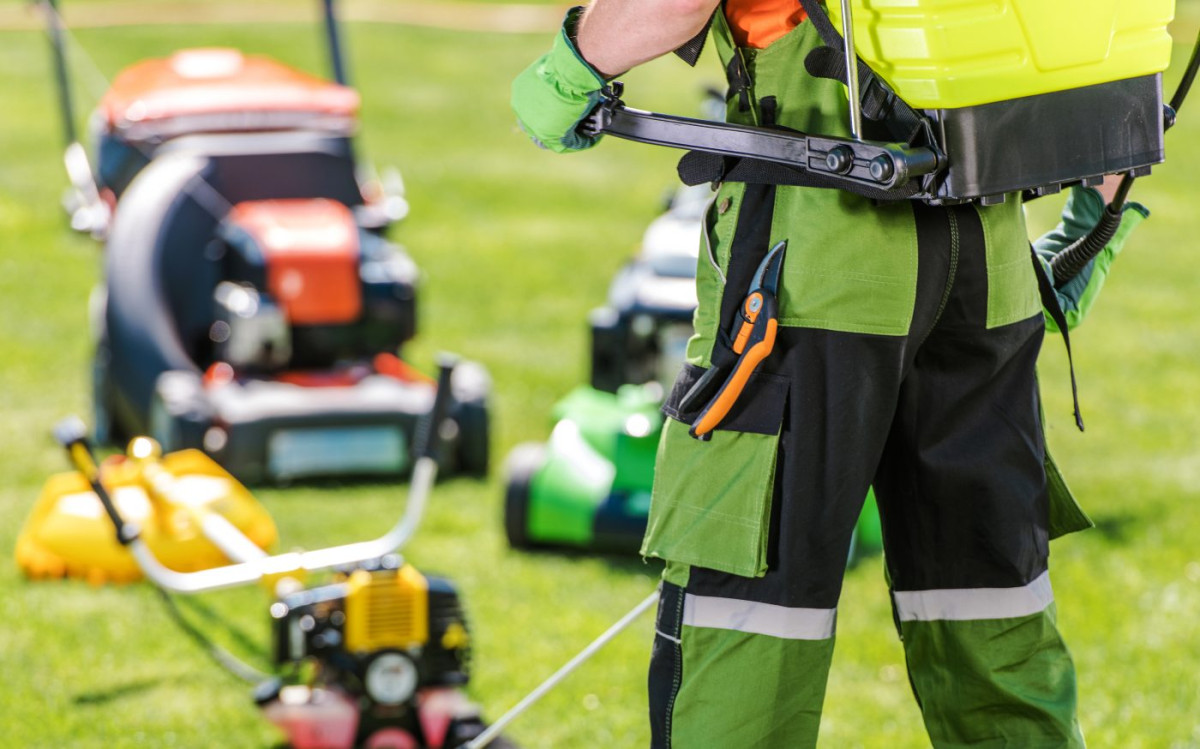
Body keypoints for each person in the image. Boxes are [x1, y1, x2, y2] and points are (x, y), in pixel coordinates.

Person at [511, 2, 1148, 746]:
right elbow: (1115, 44)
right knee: (993, 617)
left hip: (813, 263)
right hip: (987, 263)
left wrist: (567, 73)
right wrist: (1093, 225)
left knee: (749, 627)